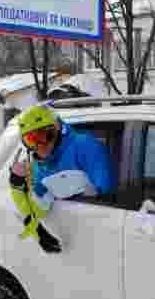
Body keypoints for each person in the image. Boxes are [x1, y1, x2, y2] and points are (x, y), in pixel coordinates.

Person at [8, 104, 116, 254]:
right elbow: (38, 207)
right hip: (72, 242)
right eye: (31, 139)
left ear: (57, 128)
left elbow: (109, 197)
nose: (40, 145)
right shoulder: (37, 167)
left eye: (45, 135)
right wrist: (38, 233)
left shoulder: (85, 146)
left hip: (105, 236)